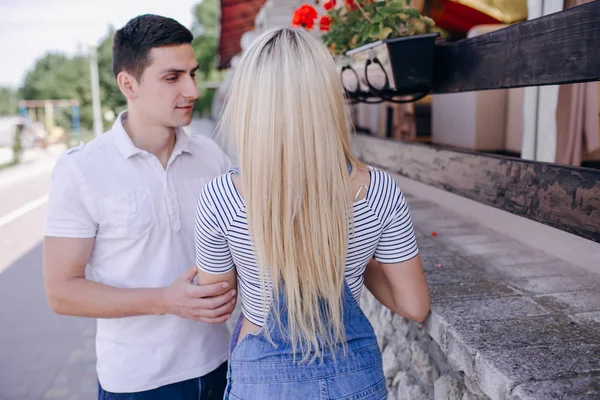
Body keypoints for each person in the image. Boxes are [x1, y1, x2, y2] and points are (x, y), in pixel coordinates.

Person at [193, 27, 431, 399]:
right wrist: (351, 255)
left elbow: (217, 302)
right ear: (328, 99)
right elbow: (414, 305)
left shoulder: (222, 198)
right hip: (355, 380)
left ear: (249, 107)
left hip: (263, 383)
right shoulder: (378, 192)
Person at [43, 14, 235, 399]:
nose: (192, 90)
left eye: (192, 74)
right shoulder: (81, 169)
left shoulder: (212, 157)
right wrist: (163, 300)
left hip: (221, 365)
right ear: (128, 84)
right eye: (172, 77)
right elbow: (62, 292)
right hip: (137, 383)